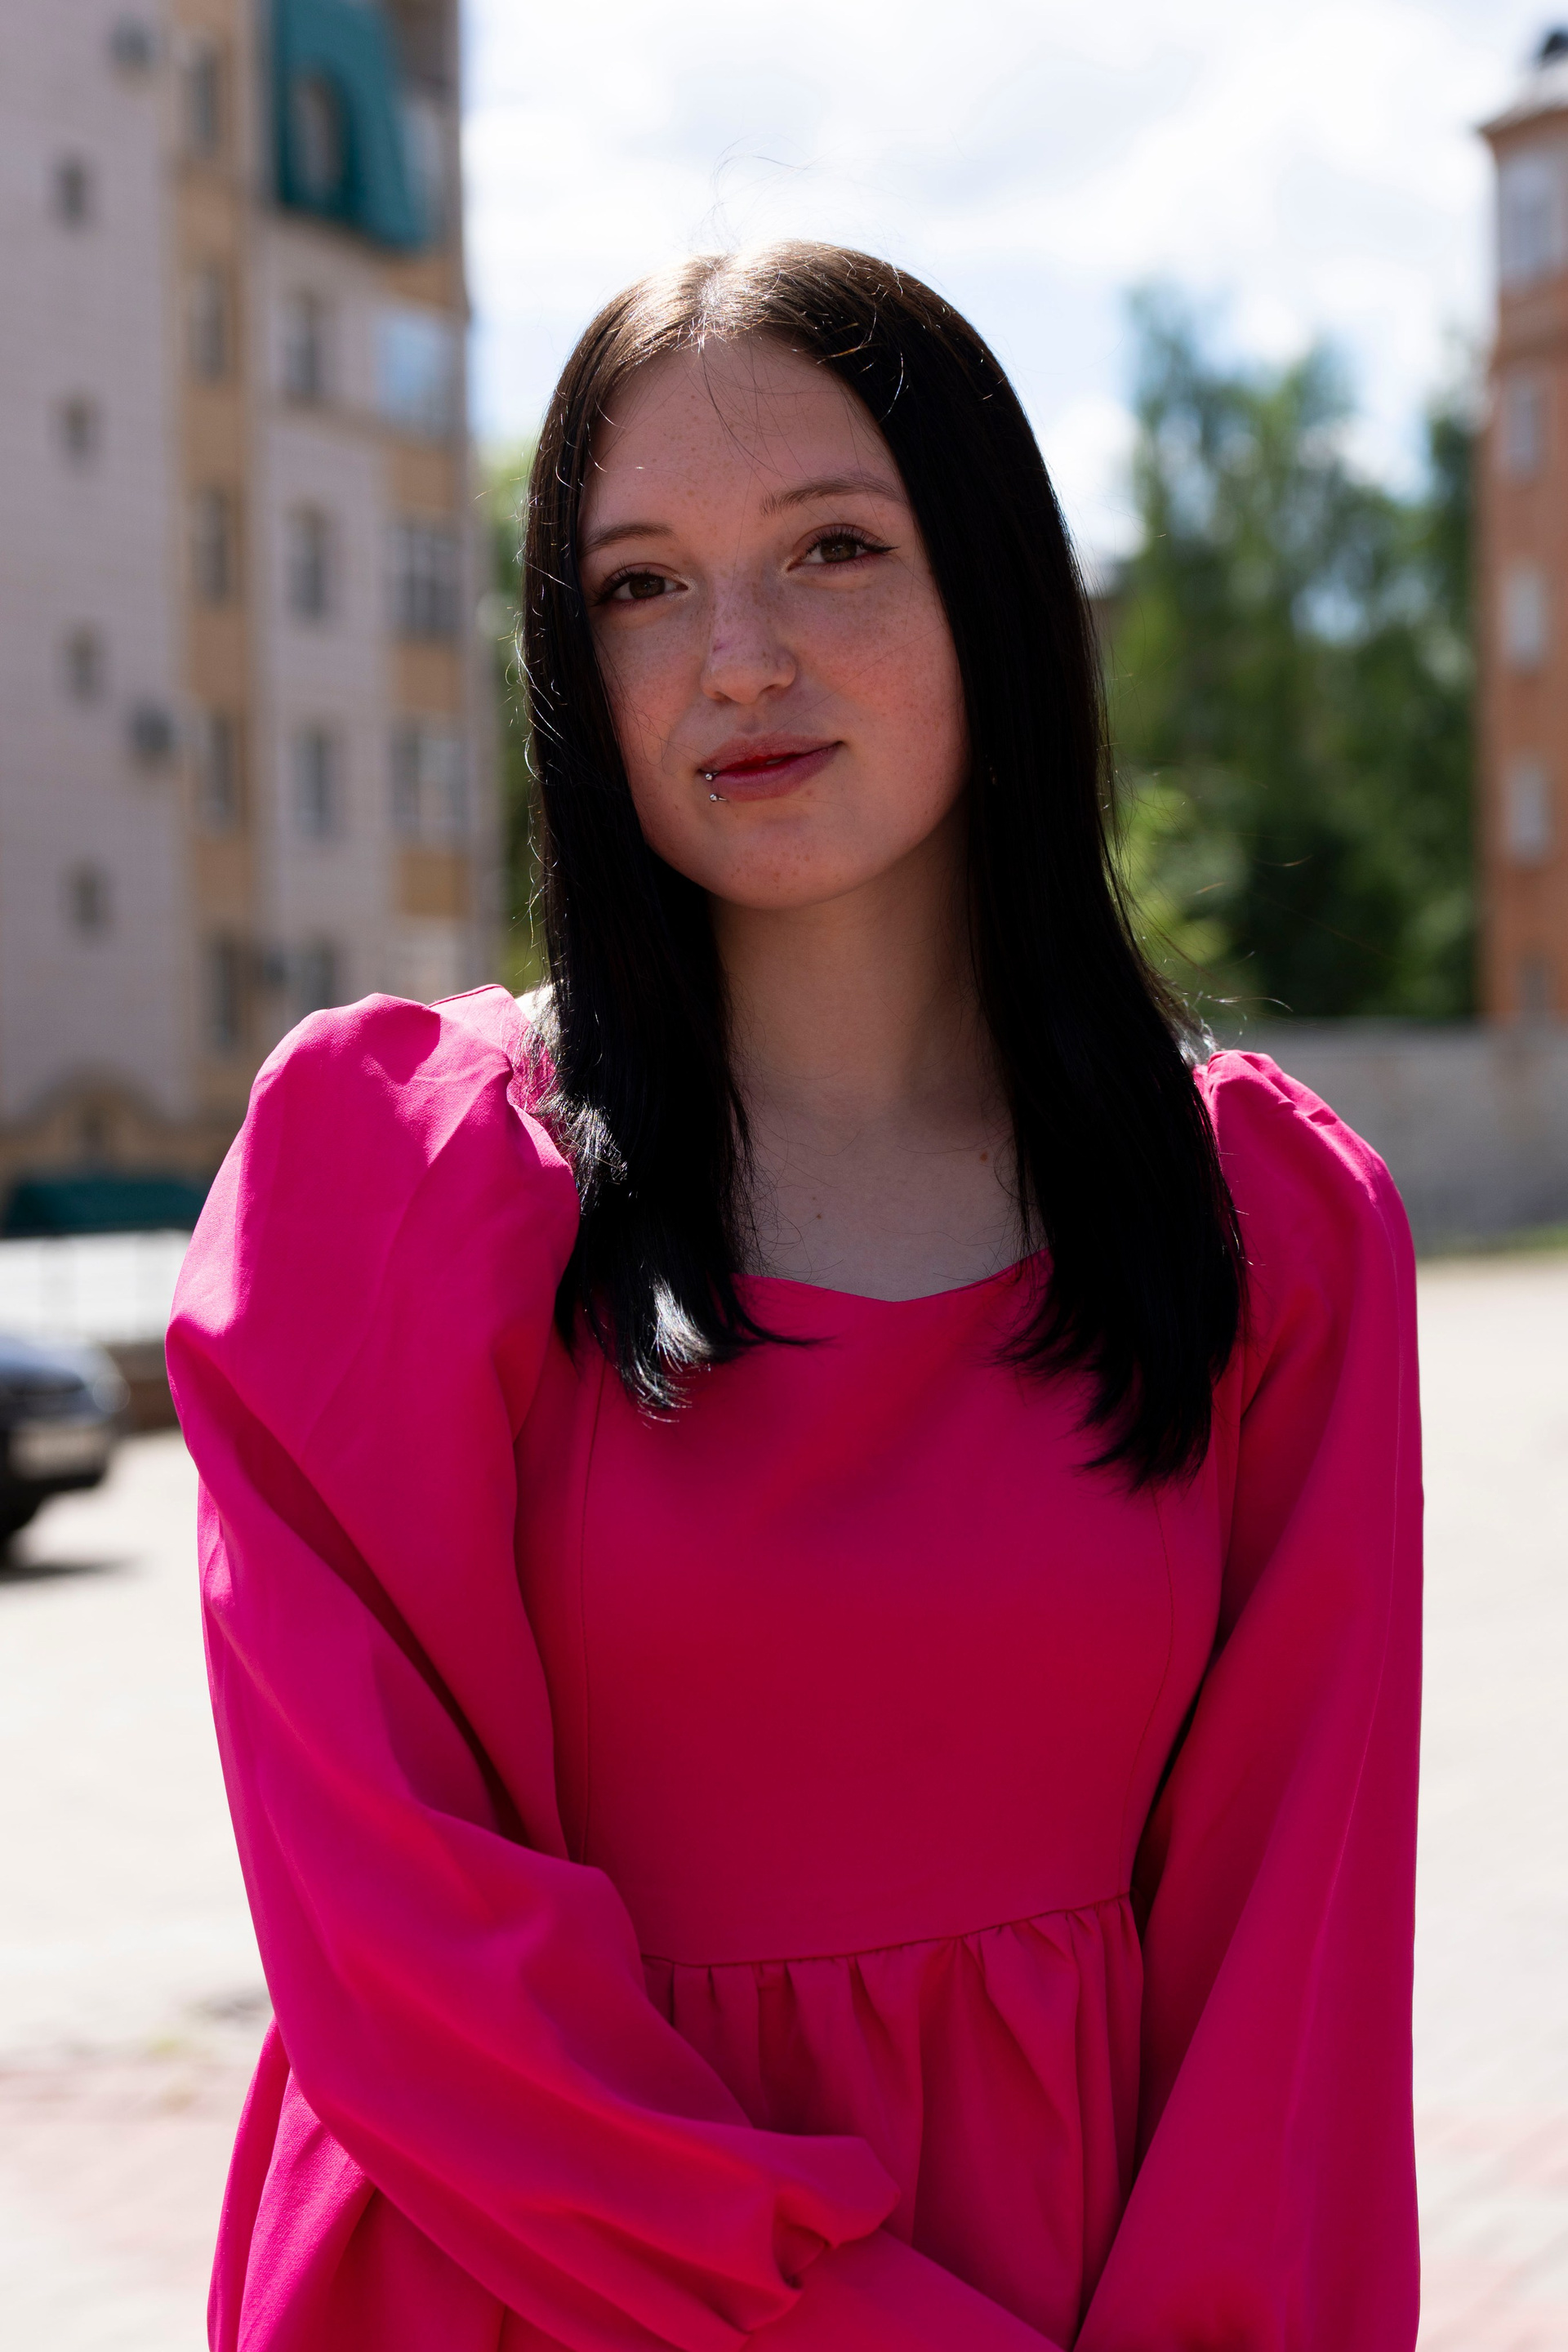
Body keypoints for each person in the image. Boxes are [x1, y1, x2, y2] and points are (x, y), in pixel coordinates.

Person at [169, 243, 1421, 2352]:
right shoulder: (394, 1188)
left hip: (1072, 2287)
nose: (735, 657)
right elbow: (398, 1958)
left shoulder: (1267, 1232)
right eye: (640, 585)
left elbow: (1290, 2004)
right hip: (516, 2292)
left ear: (996, 595)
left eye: (832, 548)